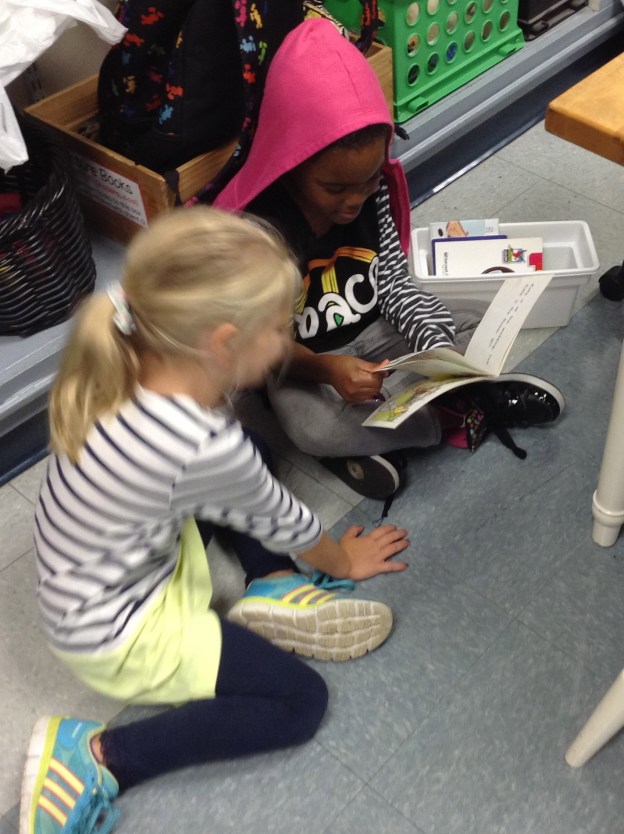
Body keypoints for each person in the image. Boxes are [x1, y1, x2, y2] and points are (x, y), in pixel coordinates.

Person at [20, 206, 409, 834]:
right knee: (298, 702)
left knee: (251, 455)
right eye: (279, 332)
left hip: (88, 572)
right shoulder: (198, 443)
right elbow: (287, 519)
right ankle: (96, 758)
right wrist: (344, 560)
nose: (286, 342)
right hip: (118, 632)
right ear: (225, 342)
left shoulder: (121, 354)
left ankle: (272, 589)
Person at [214, 18, 564, 500]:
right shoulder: (262, 230)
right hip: (308, 362)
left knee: (478, 323)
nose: (354, 200)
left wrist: (433, 349)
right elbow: (262, 345)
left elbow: (395, 283)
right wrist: (327, 371)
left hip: (378, 337)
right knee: (311, 427)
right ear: (289, 163)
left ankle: (389, 430)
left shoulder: (369, 196)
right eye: (335, 188)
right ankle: (454, 415)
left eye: (371, 179)